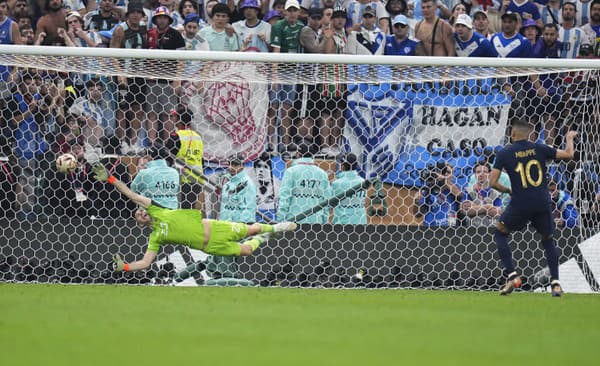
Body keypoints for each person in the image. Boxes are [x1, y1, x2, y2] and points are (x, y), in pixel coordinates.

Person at [90, 163, 298, 272]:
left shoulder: (157, 210)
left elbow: (131, 194)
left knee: (251, 228)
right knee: (245, 250)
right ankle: (263, 239)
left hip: (215, 228)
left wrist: (110, 178)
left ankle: (277, 228)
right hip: (210, 246)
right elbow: (145, 263)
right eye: (139, 214)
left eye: (141, 209)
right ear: (141, 223)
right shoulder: (156, 237)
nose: (141, 211)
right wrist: (125, 267)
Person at [490, 118, 577, 297]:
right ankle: (556, 284)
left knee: (500, 232)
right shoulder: (540, 148)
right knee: (548, 239)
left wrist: (508, 190)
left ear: (512, 134)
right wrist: (569, 138)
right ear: (529, 134)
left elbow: (492, 182)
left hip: (520, 202)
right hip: (542, 202)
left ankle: (513, 276)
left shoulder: (504, 153)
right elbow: (569, 155)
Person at [277, 144, 330, 224]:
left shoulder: (291, 172)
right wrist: (324, 221)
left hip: (294, 221)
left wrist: (280, 220)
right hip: (316, 221)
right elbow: (326, 201)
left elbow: (284, 198)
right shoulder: (322, 174)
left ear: (298, 153)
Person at [413, 162, 463, 227]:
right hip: (430, 229)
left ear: (452, 176)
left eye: (448, 172)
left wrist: (444, 179)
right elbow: (417, 214)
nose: (445, 174)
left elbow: (459, 194)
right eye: (443, 172)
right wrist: (417, 202)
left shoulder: (455, 187)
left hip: (450, 228)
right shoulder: (427, 190)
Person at [461, 161, 506, 227]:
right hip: (471, 230)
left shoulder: (496, 192)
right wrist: (488, 207)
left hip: (491, 230)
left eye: (484, 172)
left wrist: (475, 207)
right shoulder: (467, 191)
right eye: (478, 172)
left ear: (489, 174)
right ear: (475, 174)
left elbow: (496, 213)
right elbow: (466, 211)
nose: (481, 174)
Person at [331, 153, 367, 224]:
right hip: (361, 223)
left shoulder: (336, 183)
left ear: (342, 166)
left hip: (342, 223)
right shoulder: (362, 181)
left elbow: (330, 204)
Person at [220, 156, 257, 222]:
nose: (231, 167)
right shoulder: (226, 185)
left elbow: (249, 208)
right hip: (225, 226)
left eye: (235, 165)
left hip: (239, 227)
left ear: (242, 166)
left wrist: (243, 228)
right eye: (230, 164)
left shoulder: (248, 184)